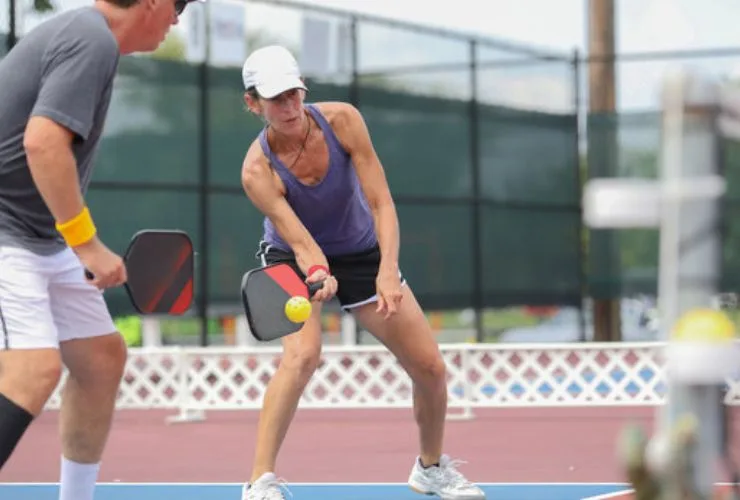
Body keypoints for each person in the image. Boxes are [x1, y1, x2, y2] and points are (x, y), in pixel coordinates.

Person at [239, 45, 486, 500]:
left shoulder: (343, 121)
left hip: (362, 251)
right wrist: (318, 274)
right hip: (290, 259)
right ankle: (259, 482)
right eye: (277, 100)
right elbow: (300, 242)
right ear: (253, 104)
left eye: (295, 93)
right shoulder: (256, 171)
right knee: (302, 356)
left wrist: (387, 270)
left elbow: (380, 202)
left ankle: (430, 470)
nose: (291, 107)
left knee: (430, 367)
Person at [0, 0, 196, 498]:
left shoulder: (85, 36)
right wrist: (87, 245)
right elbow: (43, 143)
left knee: (101, 358)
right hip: (6, 232)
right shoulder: (92, 37)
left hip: (40, 236)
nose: (178, 19)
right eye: (178, 5)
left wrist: (76, 241)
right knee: (33, 371)